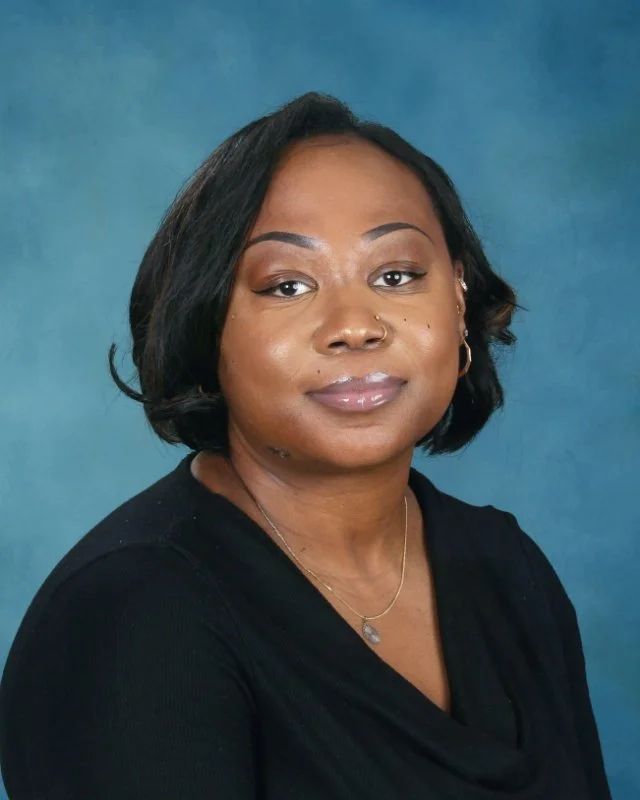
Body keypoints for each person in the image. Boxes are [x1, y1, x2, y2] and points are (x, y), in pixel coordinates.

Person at [0, 92, 612, 799]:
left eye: (395, 275)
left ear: (457, 297)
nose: (355, 325)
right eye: (287, 285)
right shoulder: (130, 618)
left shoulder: (509, 571)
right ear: (208, 326)